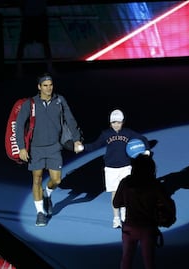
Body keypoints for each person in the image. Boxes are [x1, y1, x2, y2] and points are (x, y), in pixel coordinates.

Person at [15, 73, 83, 227]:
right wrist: (22, 148)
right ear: (39, 87)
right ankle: (40, 213)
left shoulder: (60, 100)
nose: (49, 88)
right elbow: (19, 125)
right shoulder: (30, 103)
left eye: (50, 85)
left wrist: (76, 138)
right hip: (35, 149)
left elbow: (70, 119)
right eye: (45, 85)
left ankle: (47, 194)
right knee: (36, 179)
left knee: (56, 179)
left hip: (54, 147)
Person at [78, 109, 150, 228]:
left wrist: (146, 149)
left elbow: (142, 138)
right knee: (115, 193)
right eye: (114, 122)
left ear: (123, 122)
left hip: (125, 166)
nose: (116, 125)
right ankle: (116, 218)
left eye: (119, 122)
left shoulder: (128, 132)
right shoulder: (105, 134)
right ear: (110, 123)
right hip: (110, 168)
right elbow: (95, 145)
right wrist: (83, 147)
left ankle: (124, 214)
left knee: (126, 191)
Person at [113, 154, 166, 269]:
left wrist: (128, 200)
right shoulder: (155, 184)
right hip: (148, 228)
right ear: (151, 168)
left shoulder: (126, 182)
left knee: (126, 260)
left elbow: (116, 203)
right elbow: (165, 203)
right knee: (149, 263)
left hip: (129, 228)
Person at [16, 0, 53, 76]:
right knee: (23, 43)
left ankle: (19, 70)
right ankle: (19, 69)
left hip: (35, 16)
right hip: (33, 16)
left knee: (23, 43)